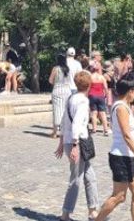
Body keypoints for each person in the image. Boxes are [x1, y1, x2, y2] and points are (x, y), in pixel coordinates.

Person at [95, 75, 134, 221]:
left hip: (129, 156)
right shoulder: (120, 108)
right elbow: (126, 135)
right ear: (129, 91)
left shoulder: (125, 106)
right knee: (119, 196)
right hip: (121, 157)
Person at [54, 71, 99, 221]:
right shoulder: (83, 101)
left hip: (71, 142)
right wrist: (74, 146)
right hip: (77, 143)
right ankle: (65, 214)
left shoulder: (70, 98)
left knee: (90, 176)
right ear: (89, 85)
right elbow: (76, 124)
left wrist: (61, 143)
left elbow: (63, 122)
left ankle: (93, 211)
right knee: (76, 179)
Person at [50, 54, 73, 139]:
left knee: (57, 110)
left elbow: (50, 80)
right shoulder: (68, 69)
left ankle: (55, 132)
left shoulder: (55, 69)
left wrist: (56, 82)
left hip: (58, 89)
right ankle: (65, 131)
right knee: (65, 110)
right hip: (67, 90)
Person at [88, 62, 111, 135]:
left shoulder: (90, 77)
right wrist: (106, 96)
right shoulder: (102, 77)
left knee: (94, 113)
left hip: (92, 95)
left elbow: (88, 87)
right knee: (102, 113)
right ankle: (106, 129)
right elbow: (105, 87)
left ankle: (94, 129)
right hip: (101, 95)